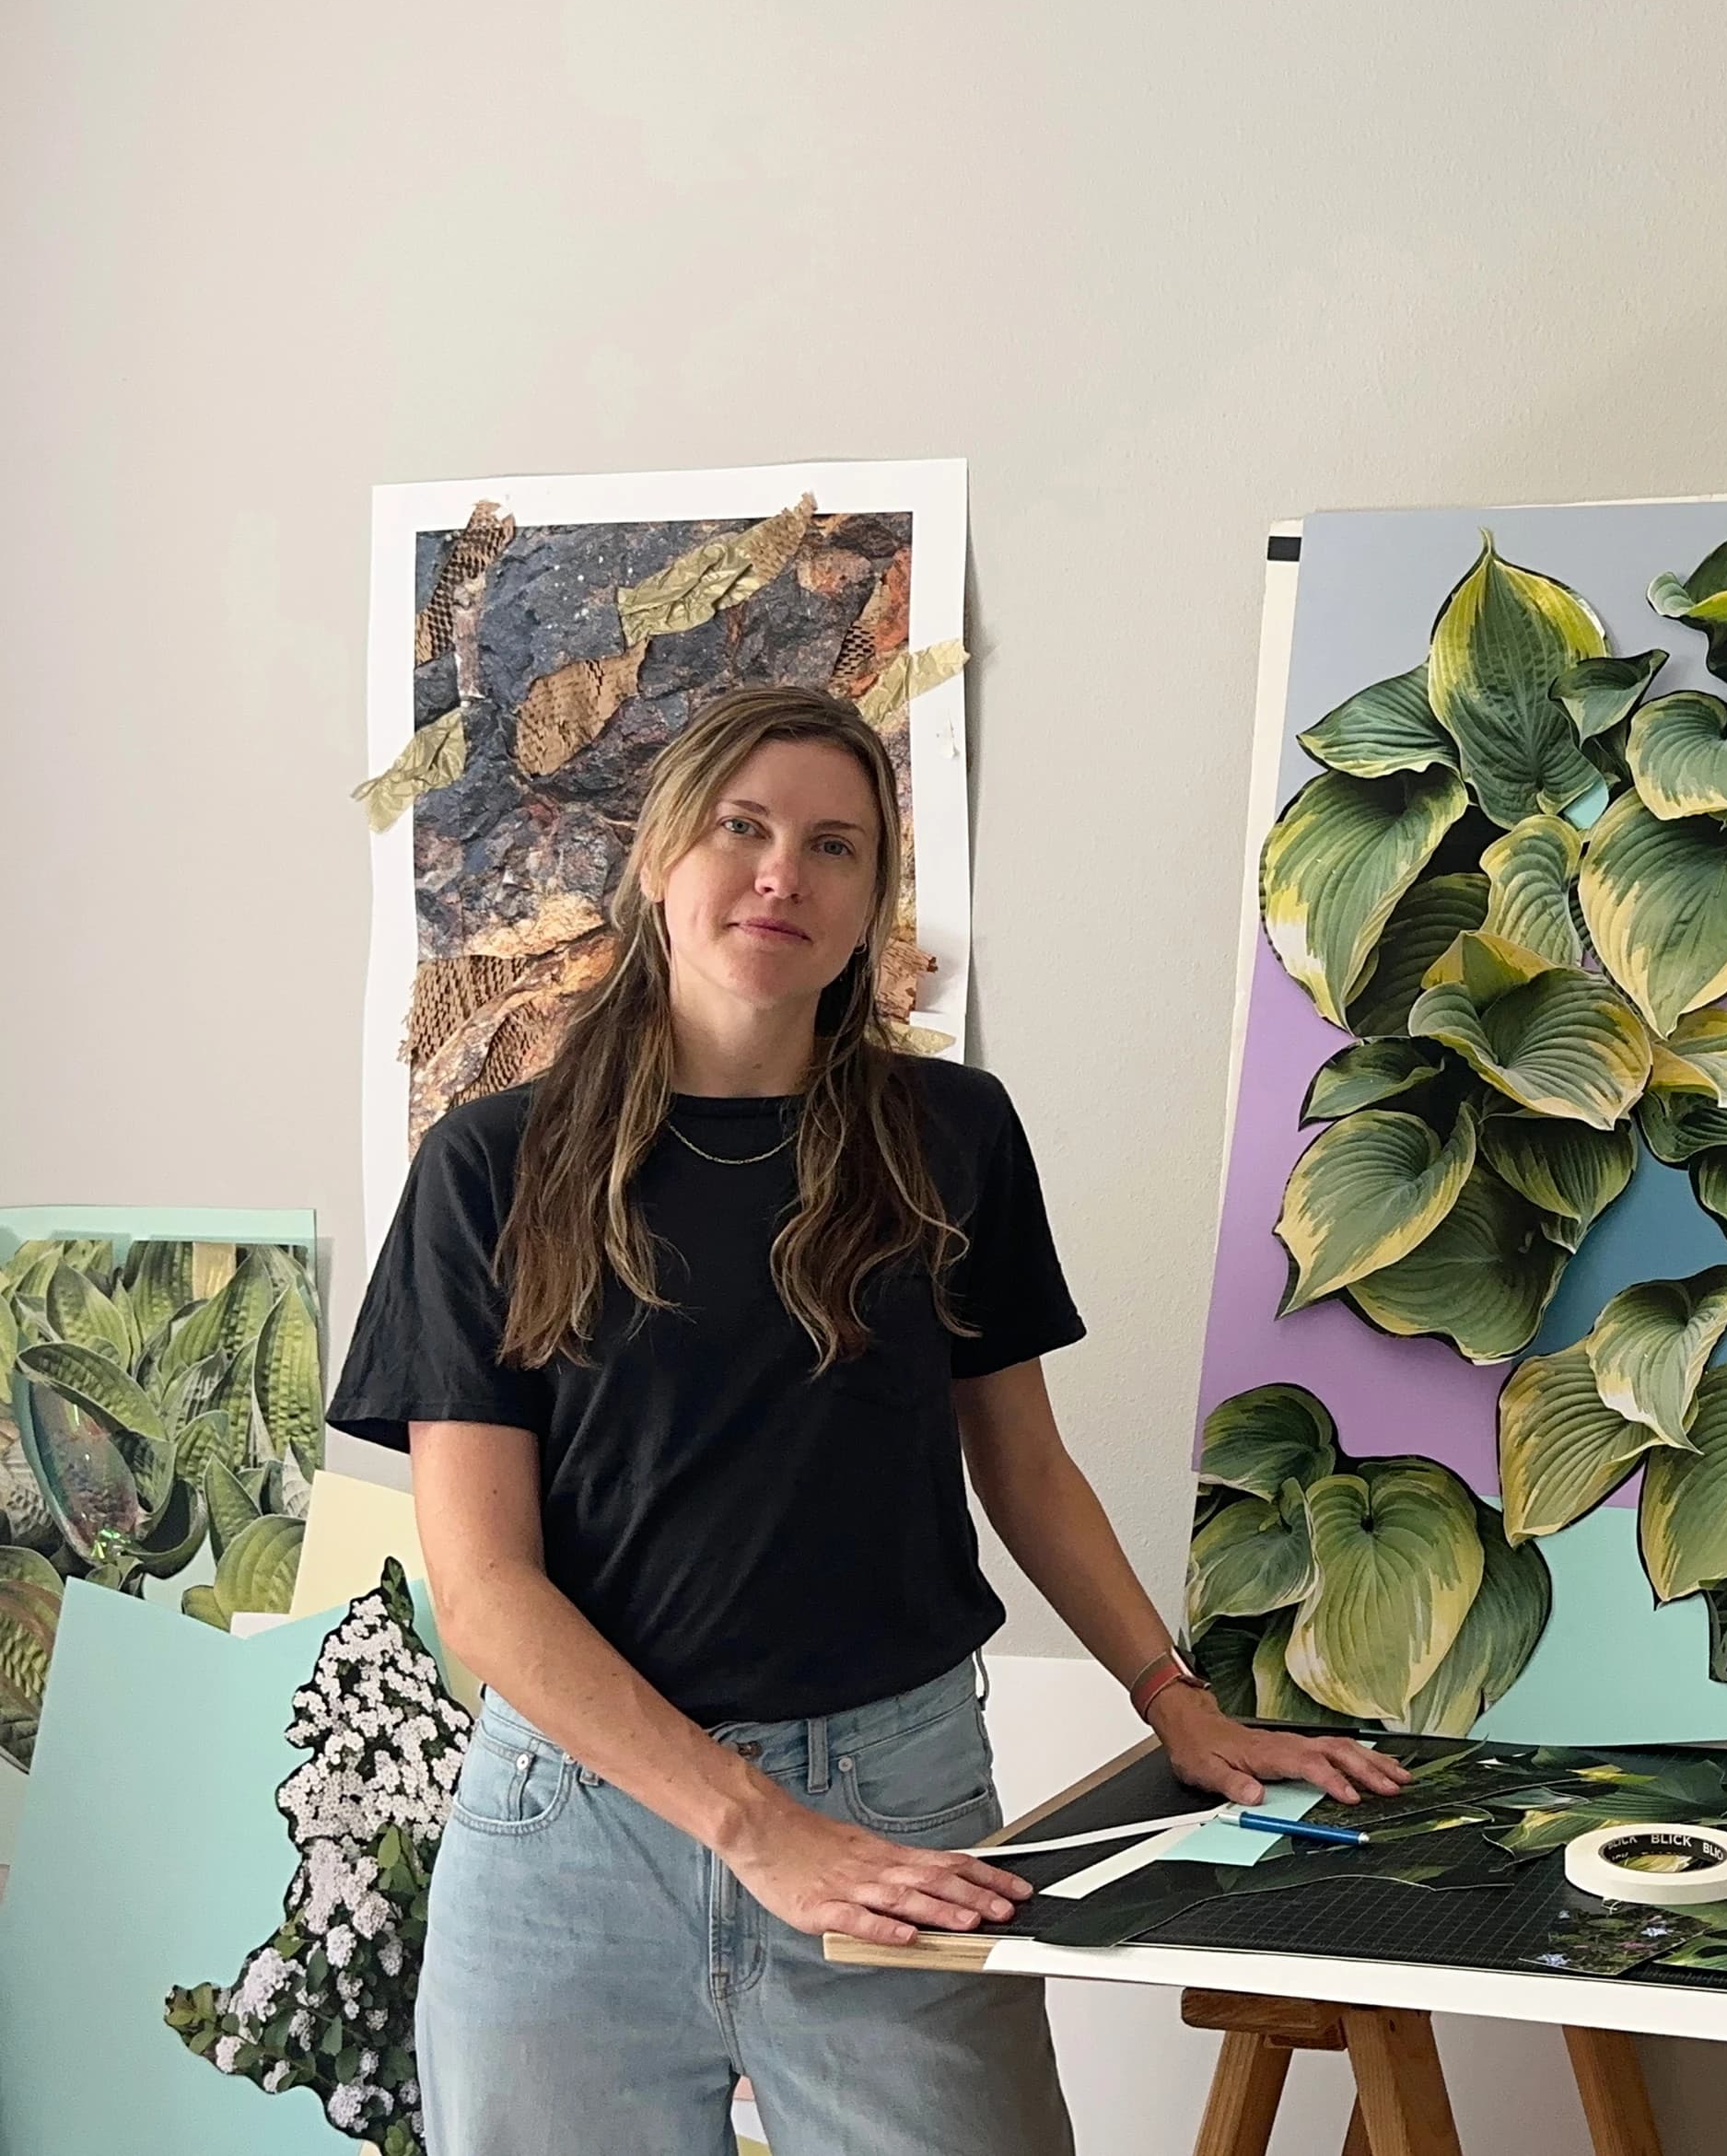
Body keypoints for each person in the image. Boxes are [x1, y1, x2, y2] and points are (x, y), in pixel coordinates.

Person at [331, 684, 1405, 2154]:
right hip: (570, 1836)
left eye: (835, 847)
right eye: (742, 828)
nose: (784, 874)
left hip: (894, 1802)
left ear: (870, 904)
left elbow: (1022, 1464)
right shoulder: (490, 1166)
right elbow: (486, 1595)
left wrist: (1176, 1699)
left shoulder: (950, 1135)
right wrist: (757, 1831)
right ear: (659, 861)